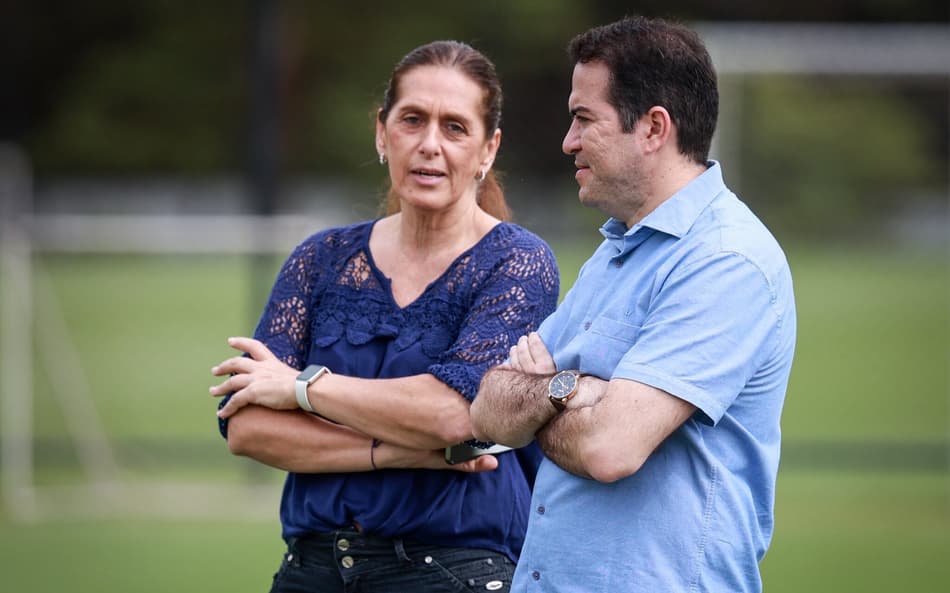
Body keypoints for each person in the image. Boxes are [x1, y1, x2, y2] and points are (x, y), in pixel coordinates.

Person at [210, 40, 559, 593]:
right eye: (412, 120)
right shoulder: (319, 260)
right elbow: (248, 426)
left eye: (455, 127)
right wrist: (393, 451)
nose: (429, 145)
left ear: (488, 150)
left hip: (452, 570)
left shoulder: (517, 263)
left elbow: (452, 416)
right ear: (382, 132)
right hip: (313, 568)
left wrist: (301, 389)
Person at [470, 16, 796, 593]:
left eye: (583, 118)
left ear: (653, 128)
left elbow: (608, 448)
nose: (568, 141)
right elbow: (490, 409)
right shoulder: (616, 252)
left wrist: (544, 398)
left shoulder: (726, 261)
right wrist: (573, 391)